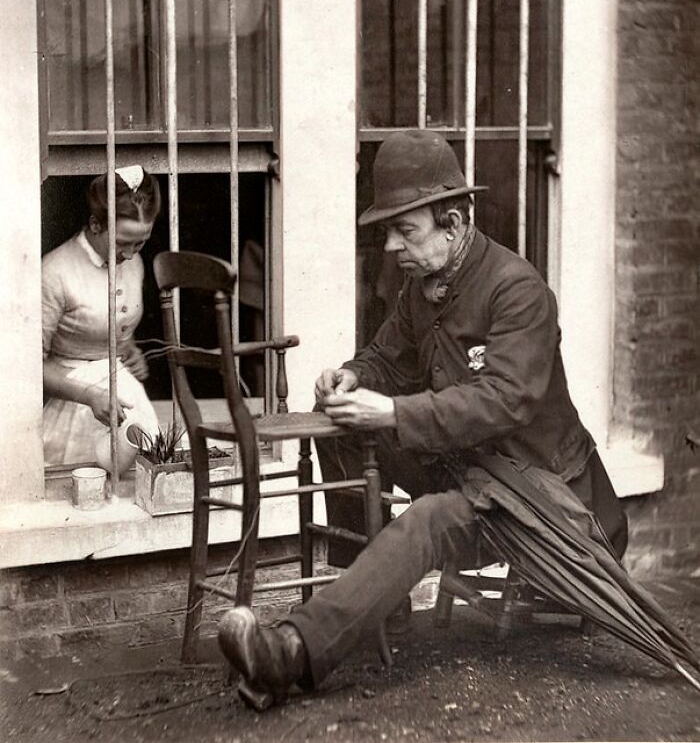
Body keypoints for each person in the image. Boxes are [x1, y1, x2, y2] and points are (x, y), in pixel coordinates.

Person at [218, 130, 628, 709]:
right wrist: (354, 377)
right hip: (472, 475)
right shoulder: (421, 286)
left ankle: (291, 653)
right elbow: (387, 356)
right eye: (388, 231)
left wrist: (389, 410)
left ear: (455, 224)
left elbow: (504, 402)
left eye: (404, 230)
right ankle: (370, 613)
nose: (390, 246)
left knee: (431, 517)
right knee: (336, 422)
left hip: (542, 499)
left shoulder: (519, 291)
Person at [42, 165, 161, 472]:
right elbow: (27, 367)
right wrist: (89, 394)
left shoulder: (133, 264)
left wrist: (129, 350)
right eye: (122, 242)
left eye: (141, 242)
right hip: (76, 402)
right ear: (95, 224)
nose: (132, 254)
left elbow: (113, 327)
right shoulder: (55, 273)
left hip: (122, 395)